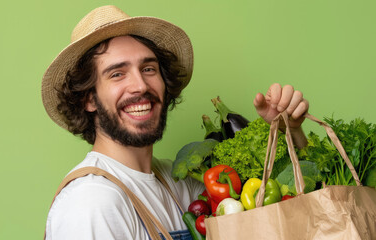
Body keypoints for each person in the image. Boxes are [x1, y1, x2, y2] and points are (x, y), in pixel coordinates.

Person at [41, 5, 309, 240]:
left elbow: (280, 207)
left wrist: (289, 131)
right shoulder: (91, 203)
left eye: (148, 69)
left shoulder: (178, 182)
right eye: (117, 74)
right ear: (89, 98)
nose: (140, 85)